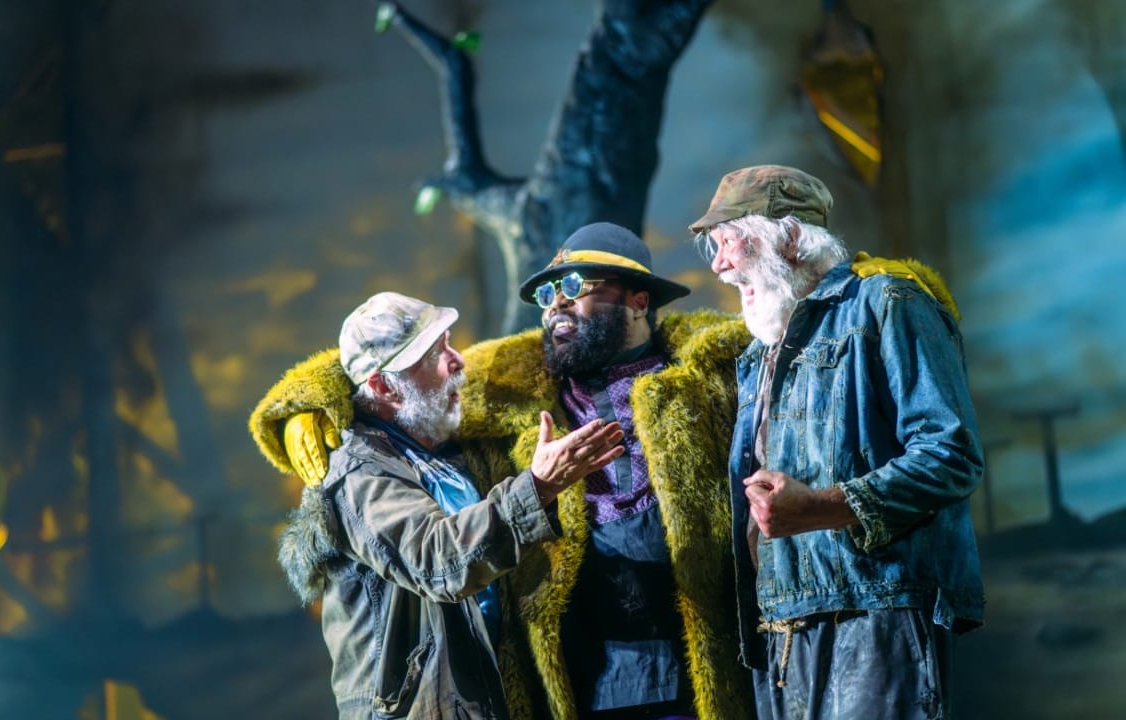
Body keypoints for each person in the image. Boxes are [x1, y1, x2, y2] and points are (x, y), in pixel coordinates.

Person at [250, 224, 758, 720]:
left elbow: (785, 327)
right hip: (586, 682)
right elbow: (383, 373)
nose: (557, 301)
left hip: (708, 669)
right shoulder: (509, 381)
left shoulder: (706, 370)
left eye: (576, 286)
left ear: (639, 300)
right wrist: (309, 398)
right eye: (548, 293)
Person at [688, 164, 985, 720]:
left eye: (732, 241)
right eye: (716, 247)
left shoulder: (887, 302)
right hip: (781, 627)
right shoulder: (759, 355)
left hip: (875, 614)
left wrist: (822, 507)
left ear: (793, 239)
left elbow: (952, 454)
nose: (722, 264)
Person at [267, 290, 627, 720]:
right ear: (383, 386)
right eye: (435, 354)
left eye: (449, 343)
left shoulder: (439, 441)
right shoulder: (356, 471)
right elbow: (439, 560)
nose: (457, 361)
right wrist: (538, 487)